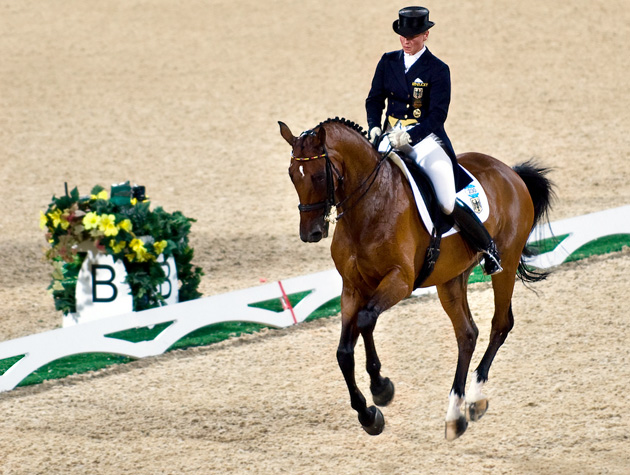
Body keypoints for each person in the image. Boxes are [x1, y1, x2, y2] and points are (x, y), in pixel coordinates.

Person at [365, 6, 502, 275]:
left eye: (413, 35)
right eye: (403, 35)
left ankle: (488, 247)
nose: (407, 40)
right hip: (389, 136)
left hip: (425, 141)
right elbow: (374, 99)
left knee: (446, 200)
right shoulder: (387, 61)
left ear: (426, 35)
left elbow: (437, 116)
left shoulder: (438, 69)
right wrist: (373, 127)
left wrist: (410, 135)